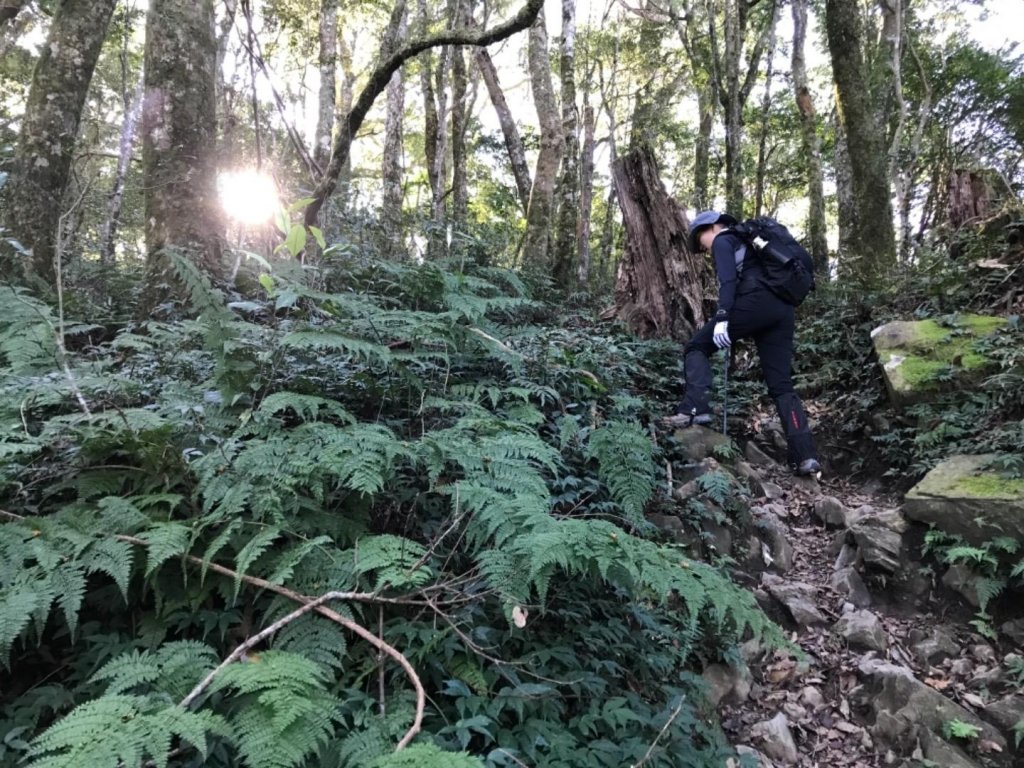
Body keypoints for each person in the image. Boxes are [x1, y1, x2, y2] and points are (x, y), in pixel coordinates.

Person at [664, 210, 821, 476]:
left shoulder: (725, 239)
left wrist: (723, 316)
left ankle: (694, 409)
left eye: (700, 236)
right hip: (782, 310)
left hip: (754, 304)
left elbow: (728, 281)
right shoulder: (750, 241)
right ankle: (805, 456)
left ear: (712, 227)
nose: (702, 244)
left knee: (697, 346)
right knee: (781, 385)